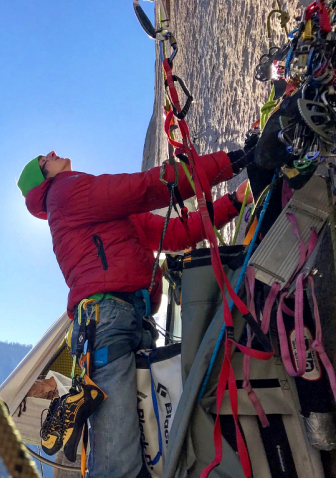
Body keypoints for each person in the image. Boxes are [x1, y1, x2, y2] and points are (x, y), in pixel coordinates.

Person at [17, 147, 255, 477]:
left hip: (124, 322)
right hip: (109, 322)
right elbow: (144, 188)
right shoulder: (64, 192)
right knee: (121, 464)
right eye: (44, 159)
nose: (53, 153)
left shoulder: (105, 215)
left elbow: (175, 233)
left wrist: (234, 201)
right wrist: (232, 161)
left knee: (152, 442)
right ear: (43, 180)